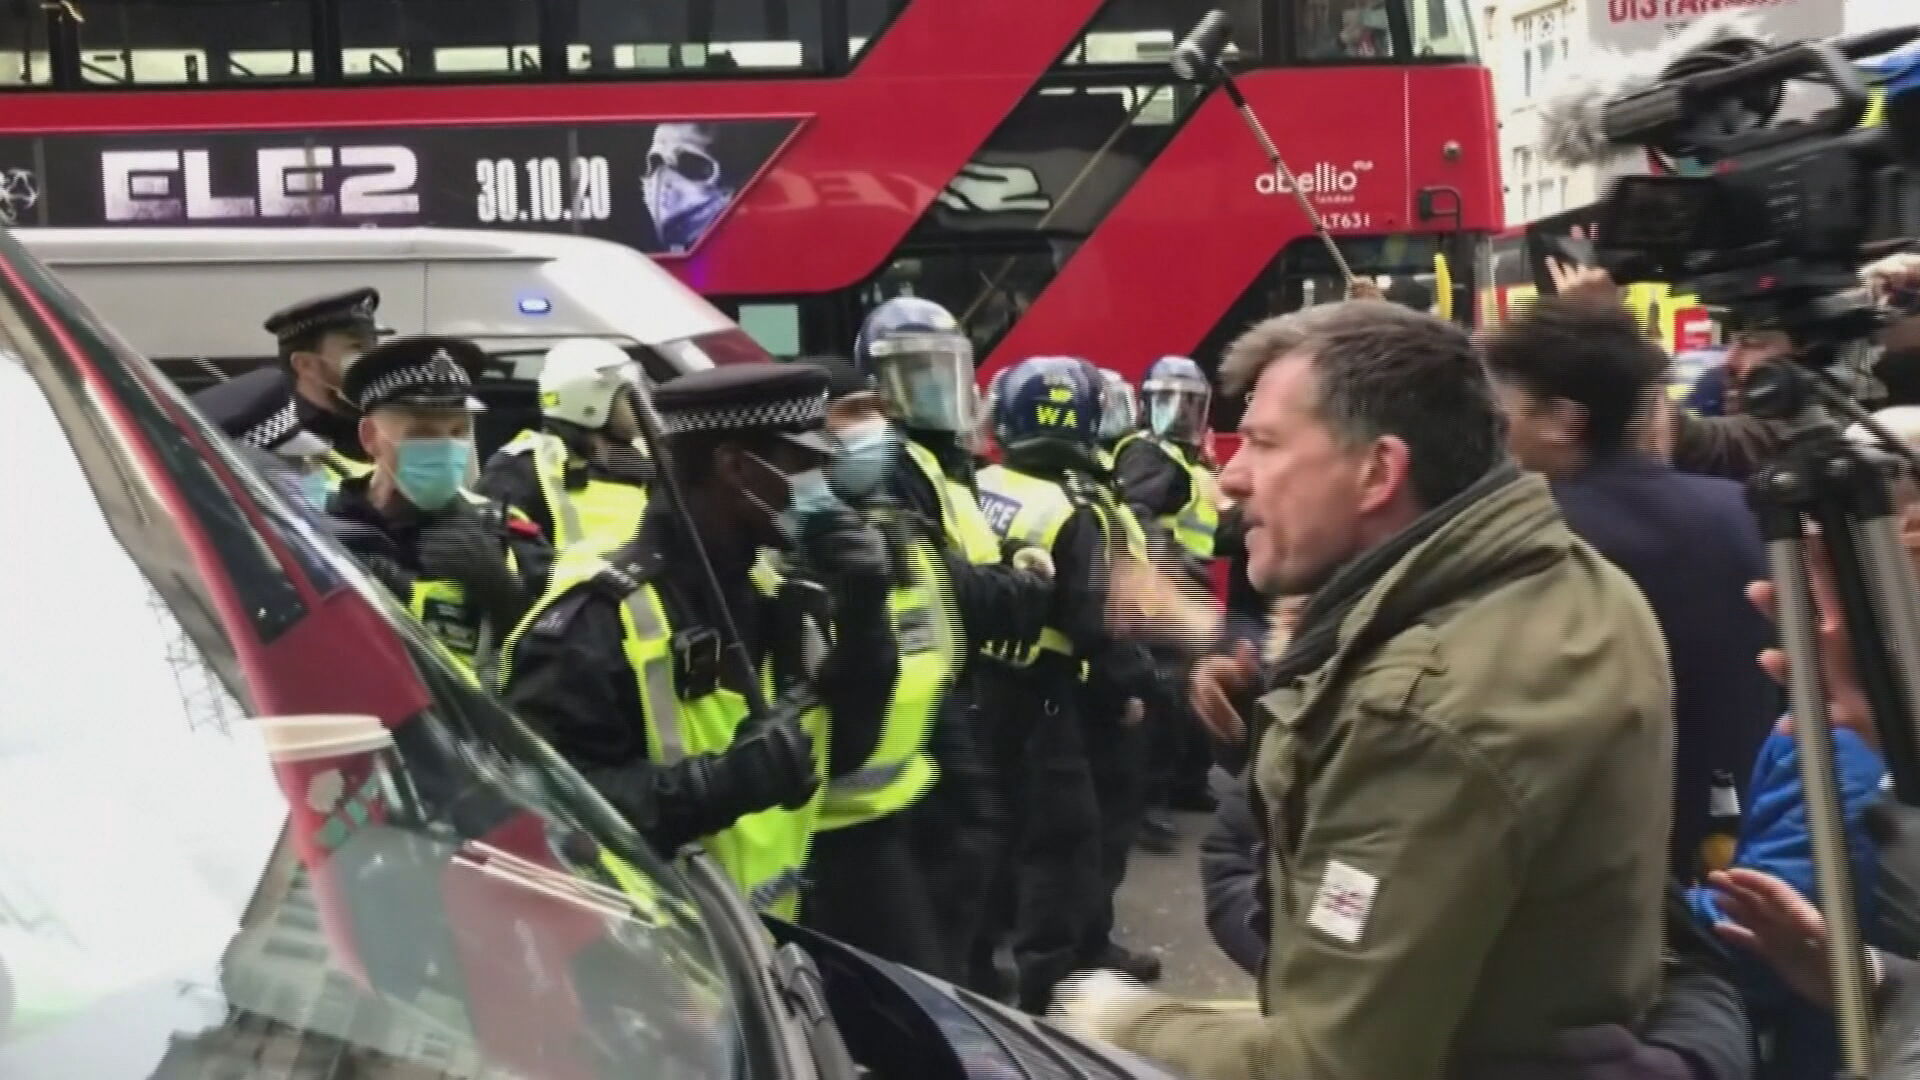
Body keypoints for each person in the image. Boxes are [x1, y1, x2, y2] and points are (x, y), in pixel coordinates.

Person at [1060, 299, 1675, 1080]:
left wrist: (1123, 1022)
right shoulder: (1572, 580)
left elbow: (1330, 1064)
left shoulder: (1419, 715)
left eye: (1264, 443)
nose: (1230, 478)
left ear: (1378, 471)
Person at [497, 361, 897, 919]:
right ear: (734, 466)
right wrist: (719, 785)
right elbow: (542, 801)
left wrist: (864, 608)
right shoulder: (600, 616)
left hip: (765, 947)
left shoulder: (772, 589)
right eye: (803, 469)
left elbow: (846, 746)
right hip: (661, 964)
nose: (819, 491)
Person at [1481, 294, 1779, 882]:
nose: (1491, 428)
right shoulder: (1741, 507)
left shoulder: (1528, 533)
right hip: (1746, 829)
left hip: (1600, 857)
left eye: (1501, 409)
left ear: (1562, 417)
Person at [853, 300, 1052, 985]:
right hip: (927, 697)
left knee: (984, 851)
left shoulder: (946, 462)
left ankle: (979, 979)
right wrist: (1024, 584)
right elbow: (949, 583)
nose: (936, 392)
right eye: (916, 375)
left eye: (944, 373)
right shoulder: (891, 465)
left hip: (973, 686)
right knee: (956, 860)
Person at [974, 356, 1158, 1014]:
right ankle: (1046, 986)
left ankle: (990, 964)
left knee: (994, 826)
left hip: (982, 682)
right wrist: (1128, 690)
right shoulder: (1071, 509)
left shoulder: (982, 483)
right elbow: (1093, 621)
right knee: (1063, 840)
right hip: (1052, 692)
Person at [791, 357, 973, 975]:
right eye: (850, 412)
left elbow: (938, 635)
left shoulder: (889, 517)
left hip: (912, 802)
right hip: (830, 832)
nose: (872, 426)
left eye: (872, 409)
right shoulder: (794, 539)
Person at [328, 335, 551, 678]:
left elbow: (557, 667)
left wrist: (502, 591)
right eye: (422, 433)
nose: (446, 448)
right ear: (370, 437)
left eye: (459, 431)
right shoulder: (318, 533)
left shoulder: (502, 531)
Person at [1116, 355, 1223, 840]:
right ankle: (1147, 801)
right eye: (1168, 402)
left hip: (1186, 589)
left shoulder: (1186, 457)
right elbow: (1136, 516)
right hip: (1164, 591)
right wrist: (1171, 563)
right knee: (1162, 699)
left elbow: (1202, 526)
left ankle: (1185, 782)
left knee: (1189, 691)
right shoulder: (1147, 453)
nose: (1179, 414)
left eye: (1190, 404)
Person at [193, 288, 386, 494]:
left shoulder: (374, 419)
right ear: (305, 364)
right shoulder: (283, 426)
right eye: (357, 348)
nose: (372, 359)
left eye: (373, 346)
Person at [477, 339, 651, 557]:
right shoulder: (519, 468)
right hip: (578, 591)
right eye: (628, 397)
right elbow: (503, 562)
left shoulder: (641, 462)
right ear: (591, 402)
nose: (642, 405)